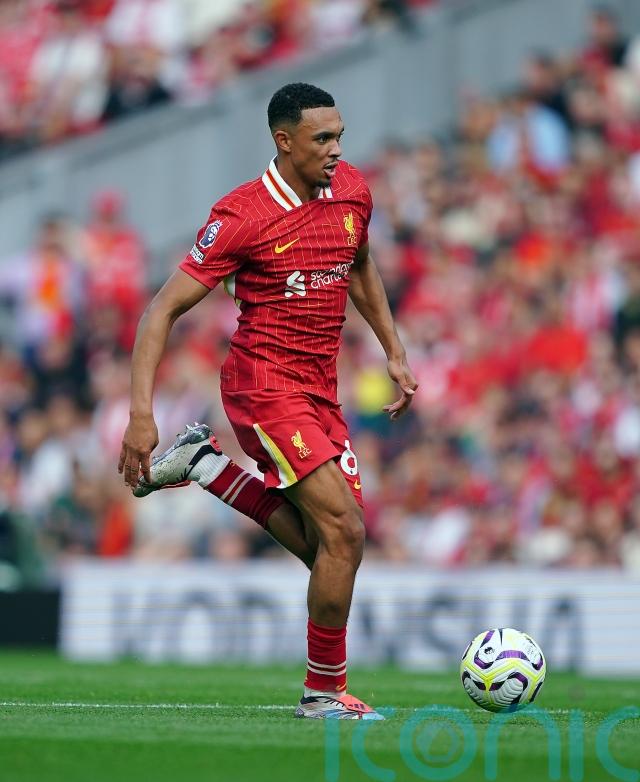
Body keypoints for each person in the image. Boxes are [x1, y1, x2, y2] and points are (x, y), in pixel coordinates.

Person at [118, 82, 417, 719]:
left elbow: (360, 264)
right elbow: (160, 311)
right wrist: (142, 413)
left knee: (330, 547)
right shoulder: (243, 215)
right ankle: (323, 693)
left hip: (320, 391)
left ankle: (208, 468)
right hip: (264, 386)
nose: (337, 150)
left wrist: (393, 349)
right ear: (283, 141)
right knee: (345, 532)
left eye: (340, 136)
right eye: (322, 139)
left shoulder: (352, 191)